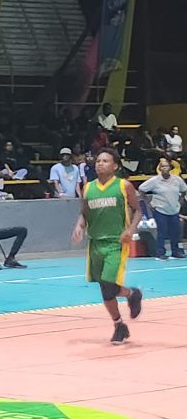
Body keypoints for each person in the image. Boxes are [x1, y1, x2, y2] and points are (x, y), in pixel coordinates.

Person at [74, 147, 143, 344]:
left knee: (108, 284)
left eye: (105, 161)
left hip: (116, 241)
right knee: (105, 289)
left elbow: (137, 210)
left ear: (115, 166)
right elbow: (84, 212)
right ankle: (122, 318)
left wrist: (130, 229)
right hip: (95, 242)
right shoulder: (88, 187)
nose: (100, 164)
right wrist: (79, 225)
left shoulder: (123, 186)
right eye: (98, 161)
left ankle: (126, 305)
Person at [138, 157, 187, 260]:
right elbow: (141, 189)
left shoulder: (177, 179)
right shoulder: (155, 181)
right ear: (160, 169)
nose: (165, 168)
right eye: (163, 166)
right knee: (162, 232)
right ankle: (160, 253)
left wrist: (180, 200)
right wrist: (149, 203)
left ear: (170, 168)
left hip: (174, 210)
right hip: (160, 210)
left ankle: (176, 252)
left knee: (175, 232)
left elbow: (184, 190)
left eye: (167, 166)